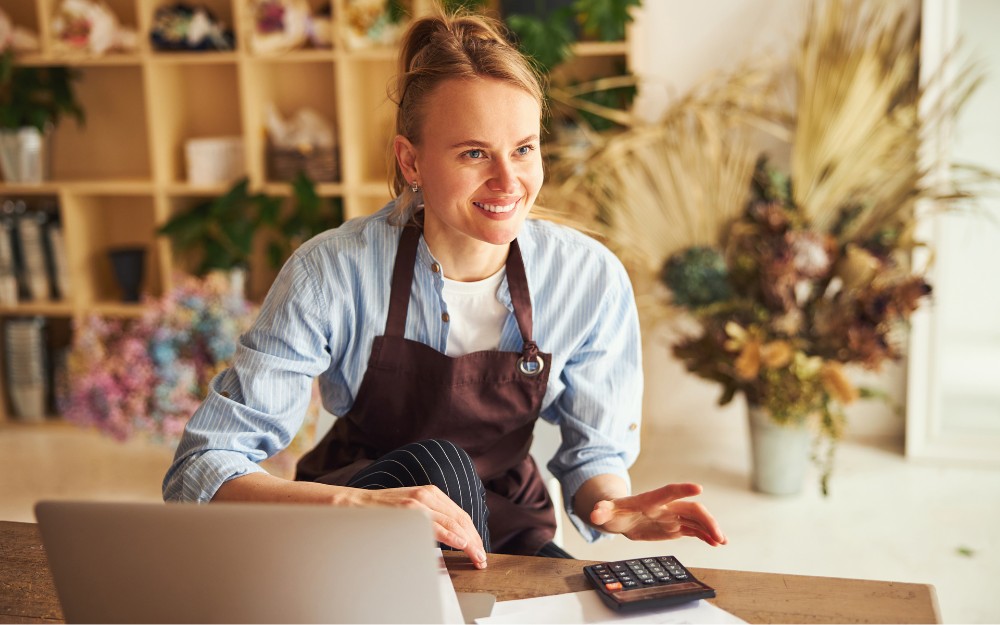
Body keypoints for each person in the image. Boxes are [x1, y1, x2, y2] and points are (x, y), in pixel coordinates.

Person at [163, 7, 727, 569]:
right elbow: (203, 464)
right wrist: (355, 503)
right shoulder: (330, 273)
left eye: (524, 149)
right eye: (474, 153)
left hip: (505, 528)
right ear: (411, 160)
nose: (509, 182)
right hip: (357, 521)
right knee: (439, 464)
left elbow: (595, 452)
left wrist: (613, 507)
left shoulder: (588, 278)